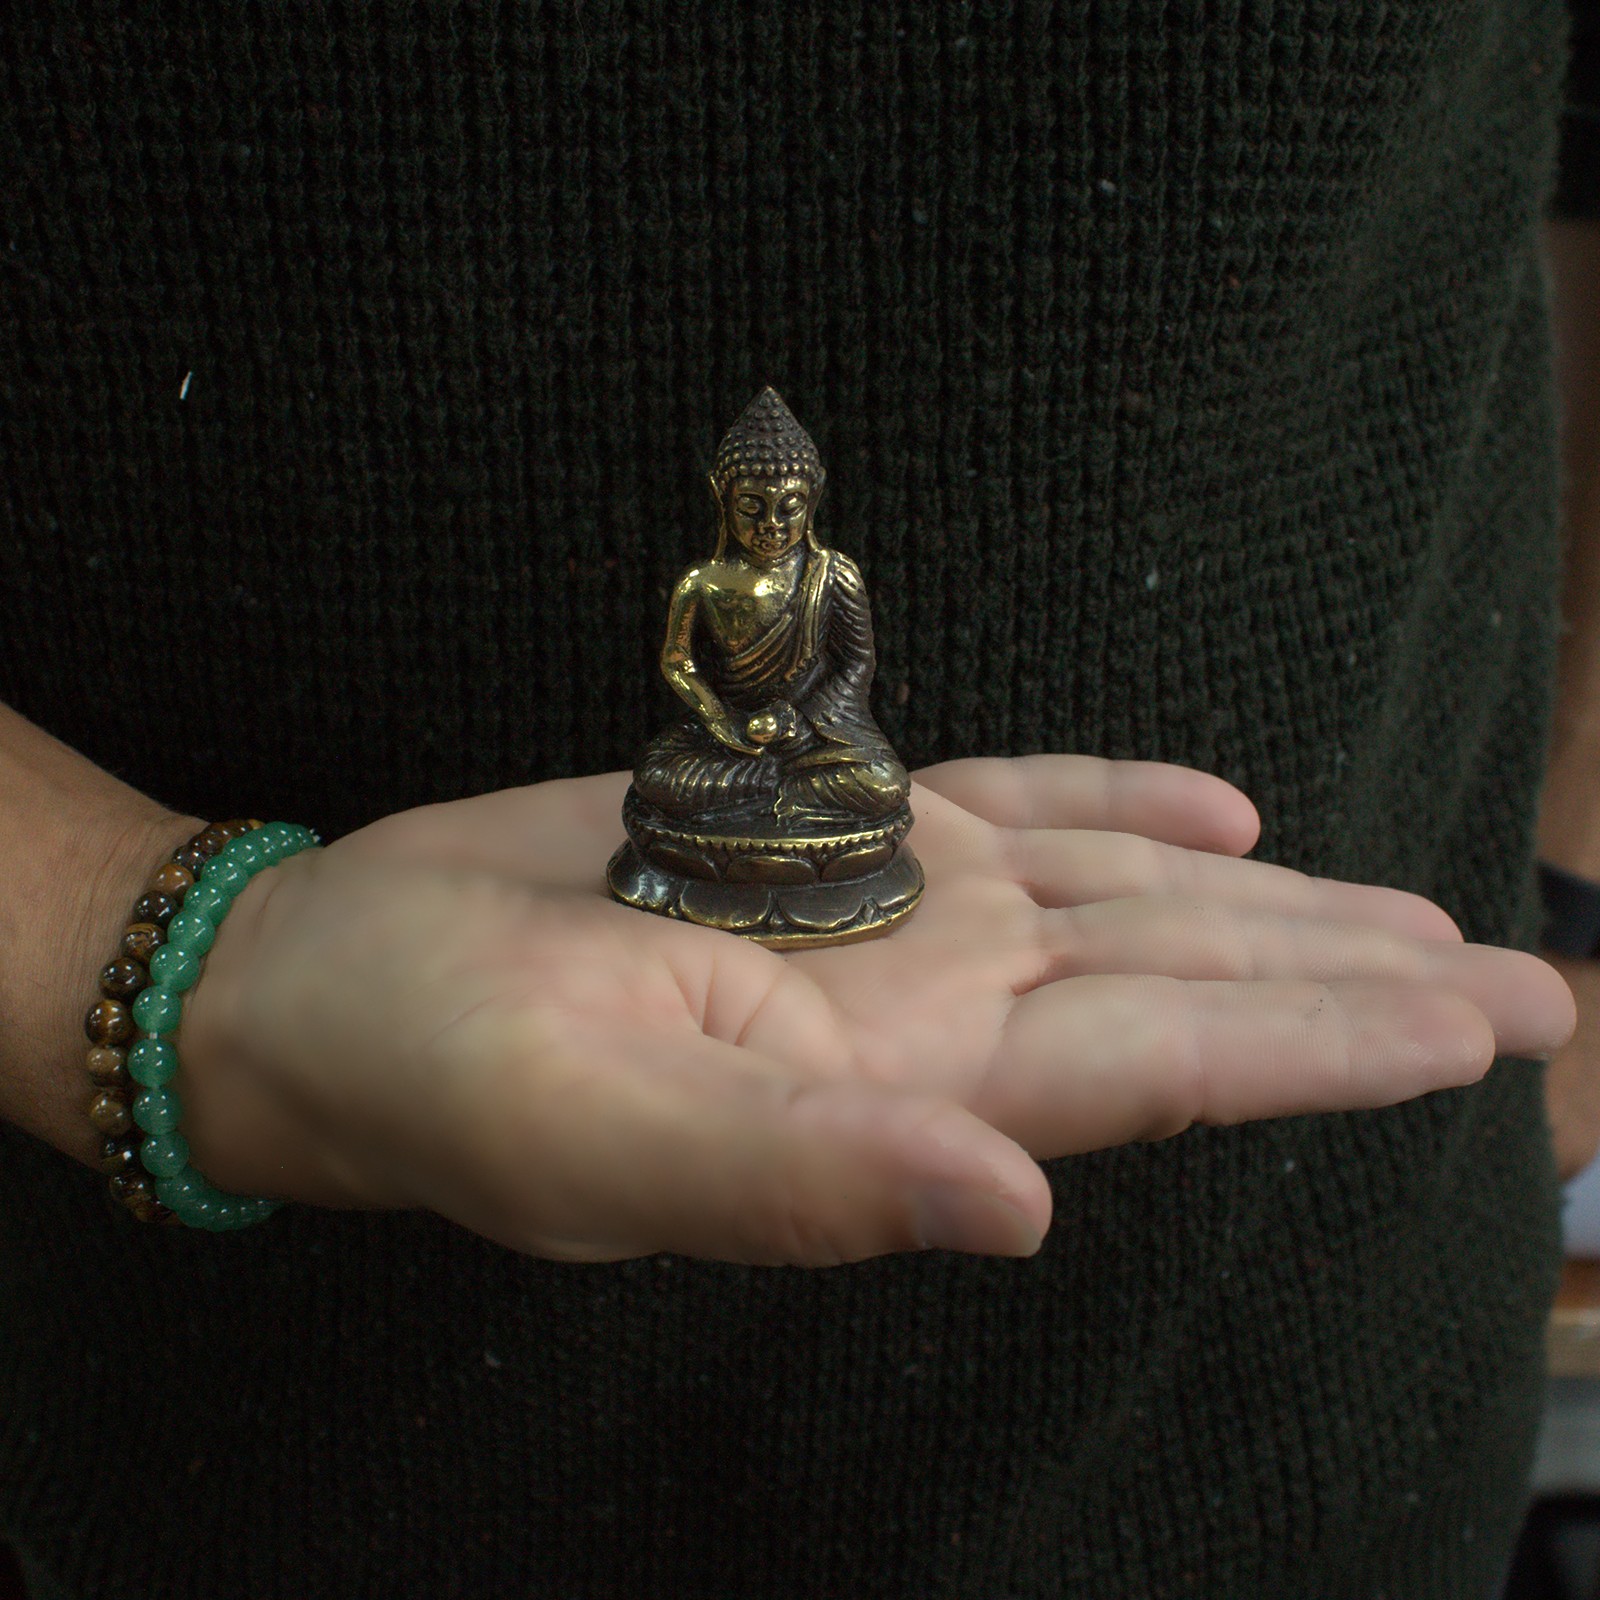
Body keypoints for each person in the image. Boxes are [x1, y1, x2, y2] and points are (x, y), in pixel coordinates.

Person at [0, 4, 1589, 1596]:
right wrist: (115, 926)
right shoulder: (711, 577)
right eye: (752, 496)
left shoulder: (823, 575)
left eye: (781, 496)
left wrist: (1579, 893)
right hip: (225, 1430)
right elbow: (696, 682)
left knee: (859, 780)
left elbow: (840, 684)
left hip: (1285, 1378)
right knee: (686, 780)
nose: (767, 510)